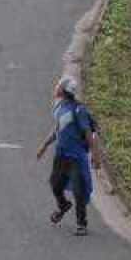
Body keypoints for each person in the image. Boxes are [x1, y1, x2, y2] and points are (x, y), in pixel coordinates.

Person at [35, 76, 100, 236]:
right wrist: (44, 145)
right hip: (61, 155)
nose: (56, 87)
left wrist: (95, 155)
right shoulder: (59, 107)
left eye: (58, 86)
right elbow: (58, 129)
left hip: (76, 157)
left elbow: (88, 134)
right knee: (55, 185)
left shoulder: (79, 110)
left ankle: (81, 223)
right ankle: (63, 205)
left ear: (63, 90)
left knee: (79, 190)